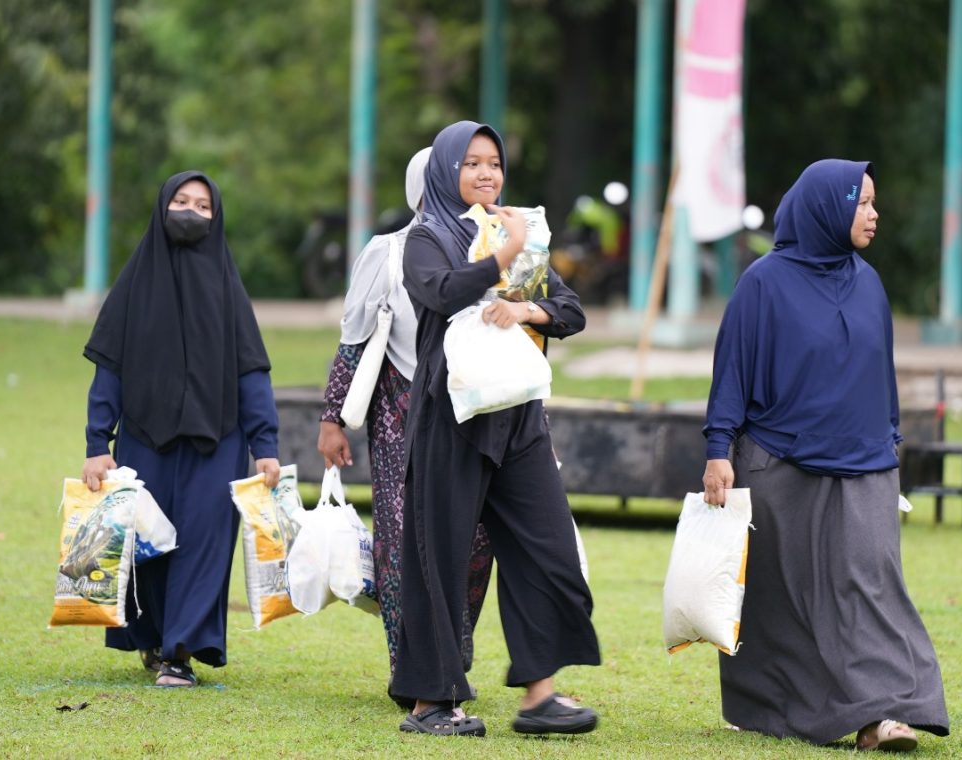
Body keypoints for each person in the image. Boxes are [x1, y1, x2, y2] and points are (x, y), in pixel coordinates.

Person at [701, 160, 949, 752]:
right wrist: (717, 450)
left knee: (870, 584)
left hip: (865, 460)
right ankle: (773, 708)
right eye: (861, 202)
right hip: (778, 459)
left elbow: (881, 372)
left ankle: (884, 713)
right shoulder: (763, 283)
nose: (873, 214)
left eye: (872, 202)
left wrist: (891, 444)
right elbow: (732, 371)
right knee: (782, 598)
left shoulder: (868, 282)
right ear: (825, 209)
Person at [390, 120, 601, 737]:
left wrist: (526, 306)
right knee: (440, 556)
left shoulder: (517, 231)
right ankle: (431, 703)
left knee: (548, 548)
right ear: (445, 170)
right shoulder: (427, 236)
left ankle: (540, 697)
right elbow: (441, 292)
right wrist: (504, 255)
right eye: (471, 163)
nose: (486, 174)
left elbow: (570, 311)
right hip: (451, 416)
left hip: (518, 416)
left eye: (494, 163)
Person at [82, 171, 281, 688]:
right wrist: (97, 443)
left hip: (218, 440)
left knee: (203, 545)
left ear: (217, 217)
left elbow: (251, 369)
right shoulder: (135, 283)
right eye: (181, 201)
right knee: (147, 543)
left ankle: (180, 653)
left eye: (203, 206)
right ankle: (152, 637)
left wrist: (265, 444)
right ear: (161, 208)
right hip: (144, 438)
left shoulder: (228, 287)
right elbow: (109, 368)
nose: (192, 213)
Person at [316, 148, 493, 696]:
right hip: (402, 411)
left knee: (475, 540)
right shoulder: (389, 253)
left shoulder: (494, 245)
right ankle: (411, 666)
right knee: (403, 541)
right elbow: (353, 339)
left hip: (475, 411)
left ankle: (452, 651)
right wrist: (332, 418)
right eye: (461, 169)